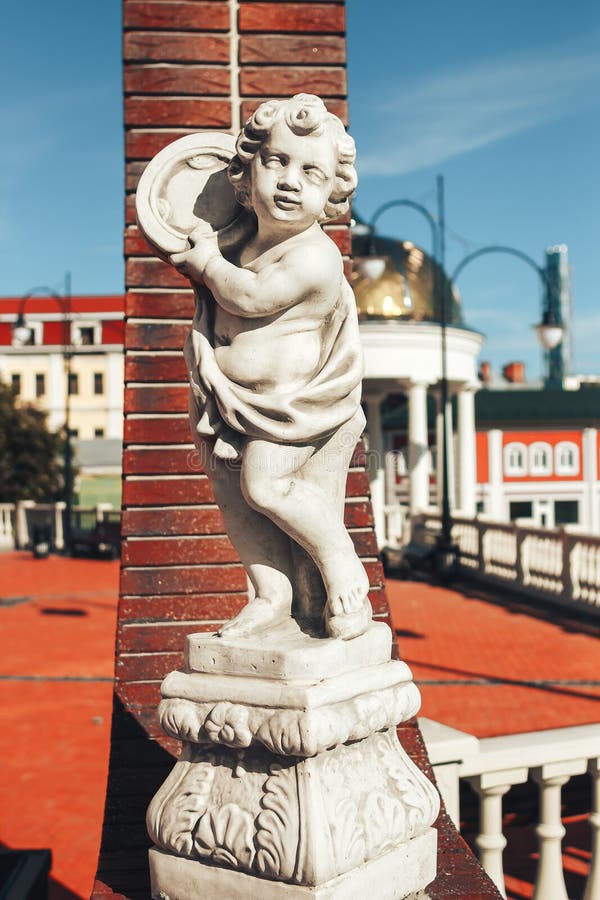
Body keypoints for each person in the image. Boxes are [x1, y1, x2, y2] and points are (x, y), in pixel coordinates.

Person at [171, 94, 371, 641]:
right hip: (224, 395)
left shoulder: (314, 255)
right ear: (245, 169)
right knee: (234, 499)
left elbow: (253, 298)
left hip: (290, 408)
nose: (289, 181)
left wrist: (208, 263)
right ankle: (270, 594)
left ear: (332, 192)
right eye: (276, 161)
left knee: (265, 486)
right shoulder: (242, 242)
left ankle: (340, 563)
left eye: (312, 172)